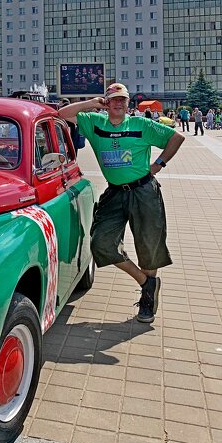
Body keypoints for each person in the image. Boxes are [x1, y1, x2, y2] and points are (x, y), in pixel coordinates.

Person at [59, 83, 184, 324]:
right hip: (115, 193)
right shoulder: (95, 122)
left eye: (123, 100)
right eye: (113, 99)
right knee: (101, 243)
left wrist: (158, 164)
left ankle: (147, 301)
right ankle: (146, 283)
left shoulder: (141, 125)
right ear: (106, 102)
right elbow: (61, 114)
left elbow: (176, 138)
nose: (118, 103)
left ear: (129, 103)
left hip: (144, 191)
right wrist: (92, 103)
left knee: (148, 246)